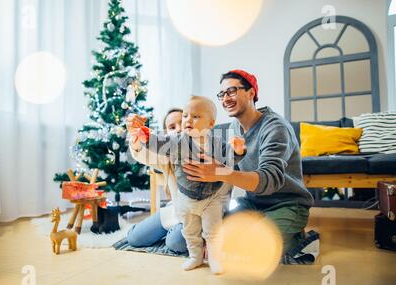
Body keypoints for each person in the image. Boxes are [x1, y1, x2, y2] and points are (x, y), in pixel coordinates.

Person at [182, 70, 314, 253]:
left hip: (287, 204)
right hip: (252, 203)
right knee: (213, 238)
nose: (225, 99)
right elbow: (227, 169)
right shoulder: (234, 127)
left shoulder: (276, 127)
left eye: (232, 91)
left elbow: (269, 180)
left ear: (251, 93)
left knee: (255, 250)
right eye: (222, 94)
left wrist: (219, 171)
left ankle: (298, 236)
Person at [128, 96, 246, 274]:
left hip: (211, 202)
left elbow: (230, 158)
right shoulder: (172, 147)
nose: (184, 124)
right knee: (139, 237)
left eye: (194, 117)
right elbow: (150, 148)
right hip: (181, 207)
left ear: (210, 123)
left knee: (196, 237)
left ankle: (214, 257)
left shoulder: (216, 143)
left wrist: (239, 151)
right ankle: (195, 256)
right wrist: (140, 136)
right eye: (173, 126)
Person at [126, 108, 187, 254]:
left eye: (182, 123)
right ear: (166, 135)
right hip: (175, 212)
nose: (178, 129)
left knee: (176, 243)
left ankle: (177, 233)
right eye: (172, 127)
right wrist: (136, 138)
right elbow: (143, 154)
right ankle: (173, 230)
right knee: (134, 238)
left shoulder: (203, 149)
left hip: (197, 217)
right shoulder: (166, 156)